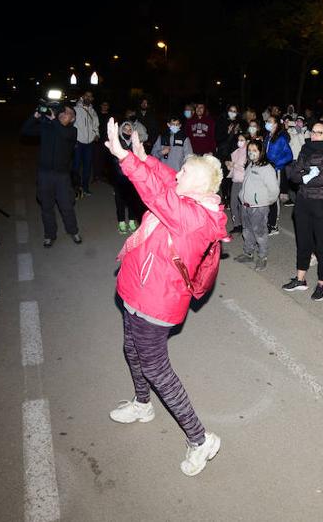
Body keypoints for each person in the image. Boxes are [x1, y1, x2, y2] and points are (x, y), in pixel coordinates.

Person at [104, 119, 226, 477]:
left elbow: (157, 194)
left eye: (185, 169)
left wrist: (125, 159)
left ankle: (200, 440)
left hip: (156, 301)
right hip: (138, 289)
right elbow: (164, 180)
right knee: (131, 350)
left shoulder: (195, 217)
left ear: (199, 183)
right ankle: (143, 405)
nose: (178, 171)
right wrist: (142, 157)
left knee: (158, 369)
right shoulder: (187, 199)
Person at [281, 119, 323, 300]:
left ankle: (322, 284)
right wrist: (306, 173)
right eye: (312, 131)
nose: (314, 135)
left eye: (319, 132)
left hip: (321, 204)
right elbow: (294, 172)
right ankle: (300, 279)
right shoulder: (306, 148)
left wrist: (304, 176)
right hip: (303, 201)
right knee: (303, 242)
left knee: (322, 245)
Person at [21, 105, 82, 248]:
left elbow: (63, 134)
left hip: (62, 176)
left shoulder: (72, 131)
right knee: (46, 206)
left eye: (68, 113)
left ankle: (73, 231)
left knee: (66, 205)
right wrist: (35, 116)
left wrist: (53, 120)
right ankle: (49, 235)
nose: (63, 113)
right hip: (44, 174)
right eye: (62, 111)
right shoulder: (47, 127)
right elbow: (24, 131)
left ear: (72, 119)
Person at [237, 138, 279, 270]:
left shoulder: (266, 168)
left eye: (254, 150)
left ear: (261, 152)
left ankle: (262, 257)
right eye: (249, 150)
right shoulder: (250, 165)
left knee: (260, 233)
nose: (251, 153)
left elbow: (274, 189)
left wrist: (264, 202)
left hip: (258, 207)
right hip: (246, 205)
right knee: (247, 231)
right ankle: (248, 253)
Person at [110, 119, 145, 234]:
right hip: (120, 178)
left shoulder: (135, 143)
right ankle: (121, 222)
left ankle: (131, 220)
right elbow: (115, 161)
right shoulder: (117, 143)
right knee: (120, 201)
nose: (128, 131)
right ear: (121, 130)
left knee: (132, 200)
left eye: (130, 130)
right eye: (125, 129)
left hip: (133, 178)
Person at [263, 114, 293, 235]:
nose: (267, 123)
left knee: (274, 197)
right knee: (266, 195)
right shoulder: (267, 137)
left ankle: (273, 225)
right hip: (266, 169)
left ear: (276, 124)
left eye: (270, 121)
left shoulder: (280, 139)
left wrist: (276, 164)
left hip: (276, 170)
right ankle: (268, 221)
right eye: (267, 121)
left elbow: (289, 155)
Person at [73, 91, 100, 196]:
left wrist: (96, 134)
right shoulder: (76, 110)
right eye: (86, 96)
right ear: (82, 97)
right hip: (78, 142)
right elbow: (72, 125)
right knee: (76, 166)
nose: (88, 98)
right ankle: (75, 188)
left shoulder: (93, 111)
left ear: (92, 99)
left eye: (90, 96)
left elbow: (95, 125)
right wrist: (73, 140)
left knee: (87, 166)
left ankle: (85, 187)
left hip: (89, 143)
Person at [224, 133, 247, 235]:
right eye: (239, 139)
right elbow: (233, 167)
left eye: (242, 140)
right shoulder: (236, 152)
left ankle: (244, 225)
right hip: (235, 180)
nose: (240, 142)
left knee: (242, 205)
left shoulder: (248, 152)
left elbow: (245, 168)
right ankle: (236, 225)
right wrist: (229, 165)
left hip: (243, 181)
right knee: (233, 203)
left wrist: (235, 165)